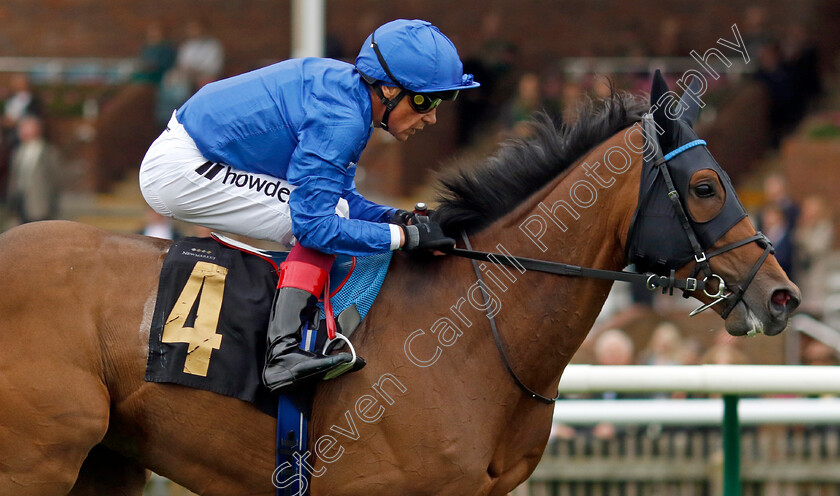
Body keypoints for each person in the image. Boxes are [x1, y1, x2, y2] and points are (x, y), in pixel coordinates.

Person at [139, 19, 479, 391]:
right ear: (387, 89)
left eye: (443, 102)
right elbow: (315, 225)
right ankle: (281, 351)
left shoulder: (349, 95)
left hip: (195, 153)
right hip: (183, 168)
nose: (431, 116)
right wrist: (404, 237)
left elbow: (339, 196)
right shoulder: (342, 119)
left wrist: (394, 217)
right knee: (326, 223)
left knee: (336, 214)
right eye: (424, 100)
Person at [6, 116, 60, 224]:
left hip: (40, 206)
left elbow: (55, 179)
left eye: (25, 127)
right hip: (20, 203)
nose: (21, 131)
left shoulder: (49, 152)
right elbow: (14, 177)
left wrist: (51, 205)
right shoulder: (19, 151)